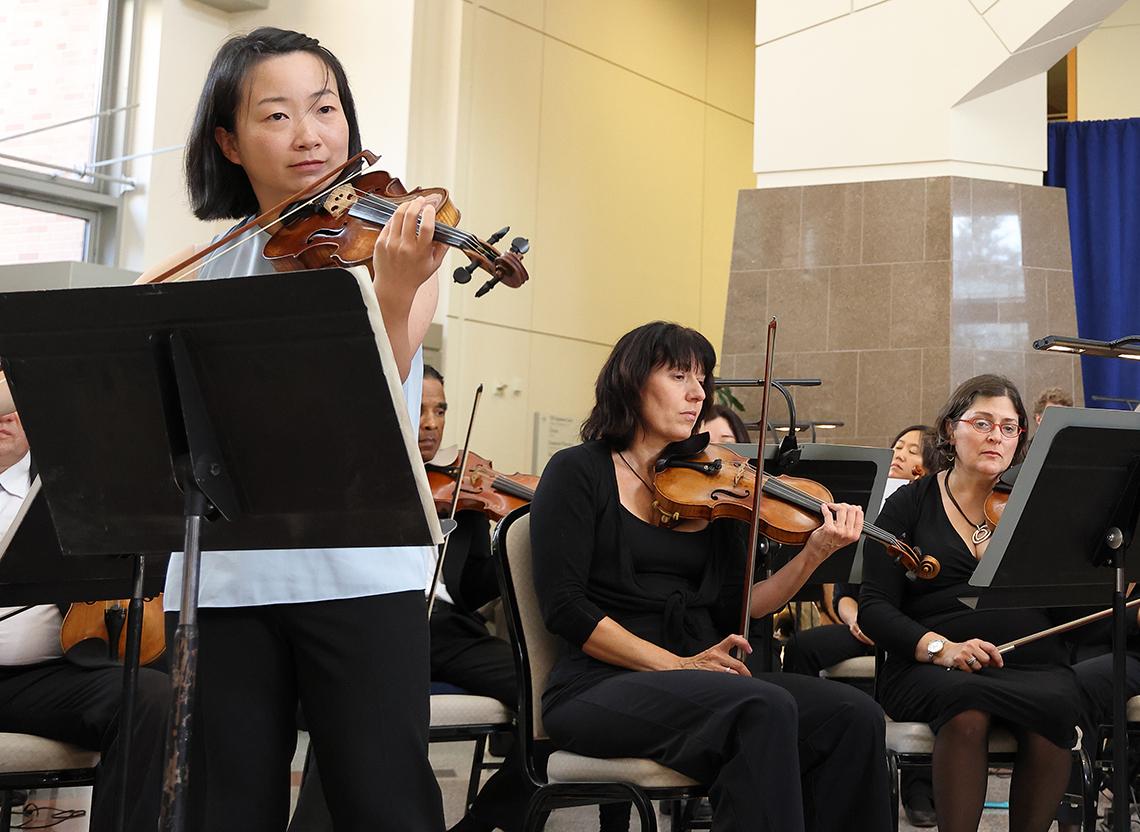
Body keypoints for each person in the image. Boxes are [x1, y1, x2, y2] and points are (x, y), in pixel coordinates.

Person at [139, 27, 517, 831]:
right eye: (275, 116)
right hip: (222, 579)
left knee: (381, 806)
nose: (310, 135)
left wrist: (395, 282)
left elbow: (365, 385)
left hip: (358, 570)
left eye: (325, 108)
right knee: (222, 809)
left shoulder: (394, 249)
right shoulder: (202, 267)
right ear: (228, 142)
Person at [529, 321, 892, 832]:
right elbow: (566, 608)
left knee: (854, 715)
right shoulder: (577, 471)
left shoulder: (715, 480)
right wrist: (676, 666)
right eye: (679, 376)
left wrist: (813, 554)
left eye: (702, 379)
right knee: (760, 706)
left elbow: (742, 605)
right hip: (598, 685)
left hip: (702, 678)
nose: (698, 393)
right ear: (631, 383)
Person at [859, 374, 1081, 832]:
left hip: (1030, 661)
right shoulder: (908, 505)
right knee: (966, 707)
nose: (996, 436)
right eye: (982, 423)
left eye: (1009, 426)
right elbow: (875, 607)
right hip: (930, 665)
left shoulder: (1034, 506)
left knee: (1057, 706)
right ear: (949, 430)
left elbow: (1065, 607)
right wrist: (942, 647)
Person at [0, 411, 170, 832]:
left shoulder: (65, 488)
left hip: (39, 680)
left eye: (16, 402)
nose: (5, 414)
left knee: (149, 695)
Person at [781, 423, 938, 825]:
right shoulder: (873, 512)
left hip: (911, 632)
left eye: (911, 449)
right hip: (866, 624)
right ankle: (799, 754)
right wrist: (857, 619)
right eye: (896, 445)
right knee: (802, 647)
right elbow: (849, 592)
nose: (899, 453)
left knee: (919, 665)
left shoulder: (933, 512)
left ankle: (919, 785)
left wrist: (890, 625)